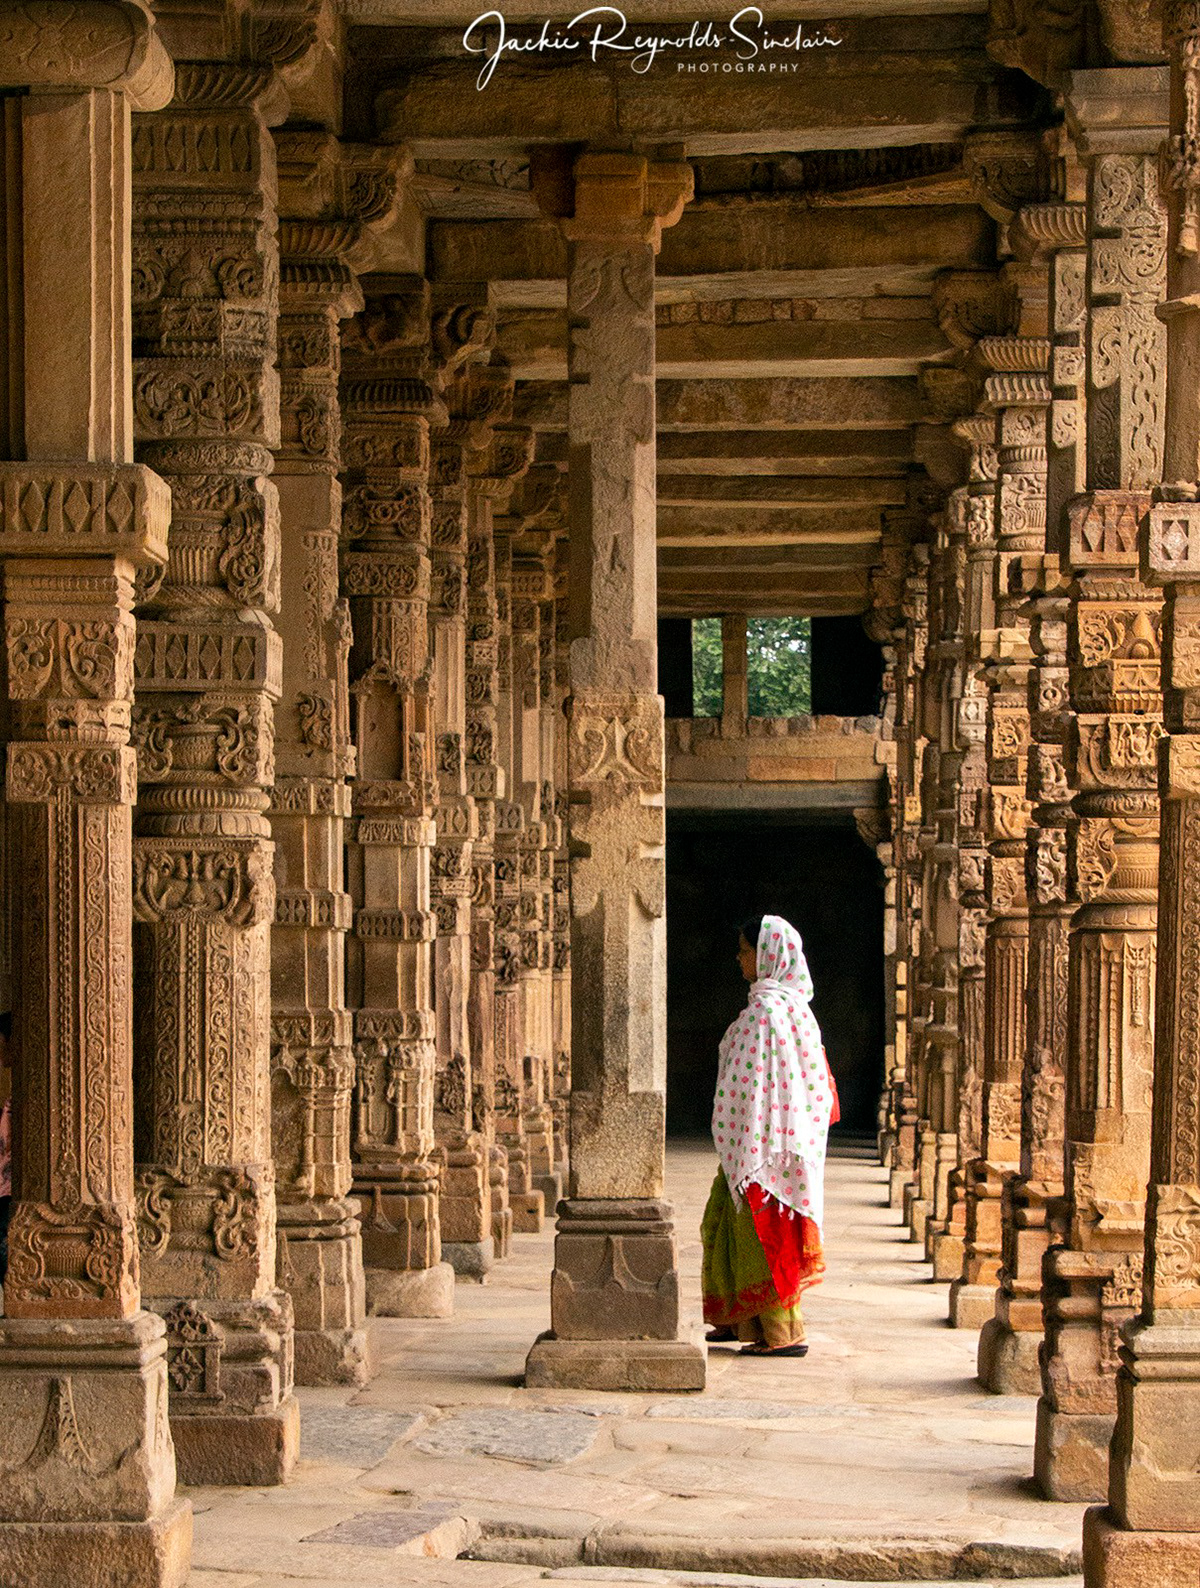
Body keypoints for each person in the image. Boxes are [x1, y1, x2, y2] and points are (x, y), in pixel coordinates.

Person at [701, 913, 839, 1357]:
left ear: (766, 956)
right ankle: (740, 1318)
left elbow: (764, 1082)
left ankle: (783, 1332)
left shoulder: (769, 1012)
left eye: (745, 950)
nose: (740, 958)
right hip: (762, 1140)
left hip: (767, 1145)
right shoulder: (790, 1009)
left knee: (763, 1239)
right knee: (721, 1226)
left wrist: (758, 1137)